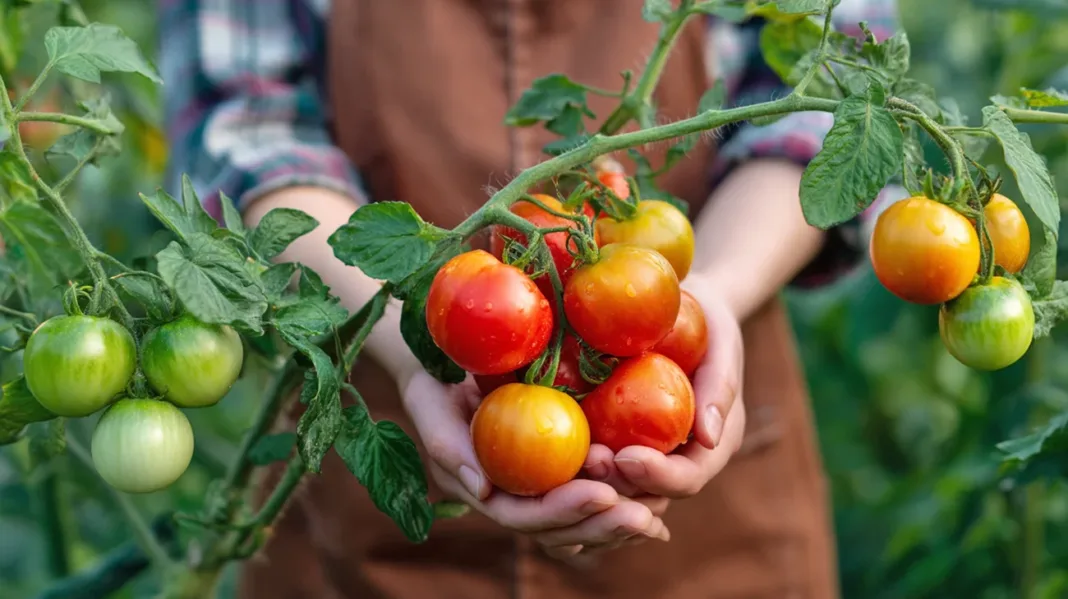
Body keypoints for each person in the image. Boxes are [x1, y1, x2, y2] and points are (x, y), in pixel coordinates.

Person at [161, 1, 902, 597]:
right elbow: (251, 131)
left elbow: (826, 104)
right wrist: (413, 348)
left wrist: (707, 302)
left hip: (709, 513)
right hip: (372, 507)